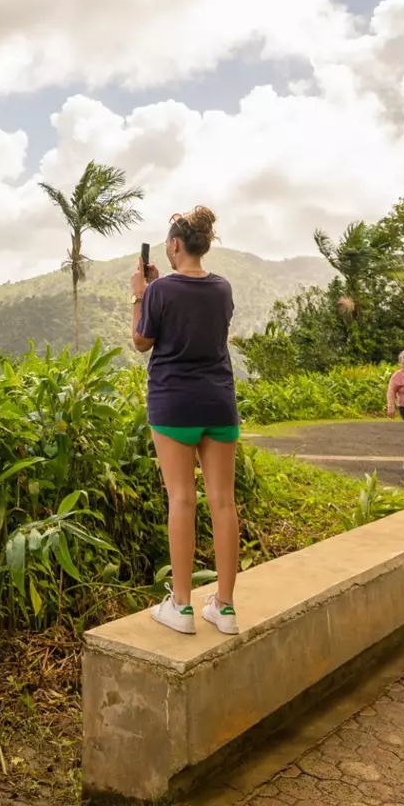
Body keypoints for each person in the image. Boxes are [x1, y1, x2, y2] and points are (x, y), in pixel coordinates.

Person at [132, 206, 240, 637]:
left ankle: (181, 605)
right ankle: (225, 608)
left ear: (175, 245)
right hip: (219, 403)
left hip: (174, 405)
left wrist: (140, 295)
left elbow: (142, 341)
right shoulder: (222, 288)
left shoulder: (158, 291)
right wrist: (157, 290)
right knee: (223, 503)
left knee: (181, 499)